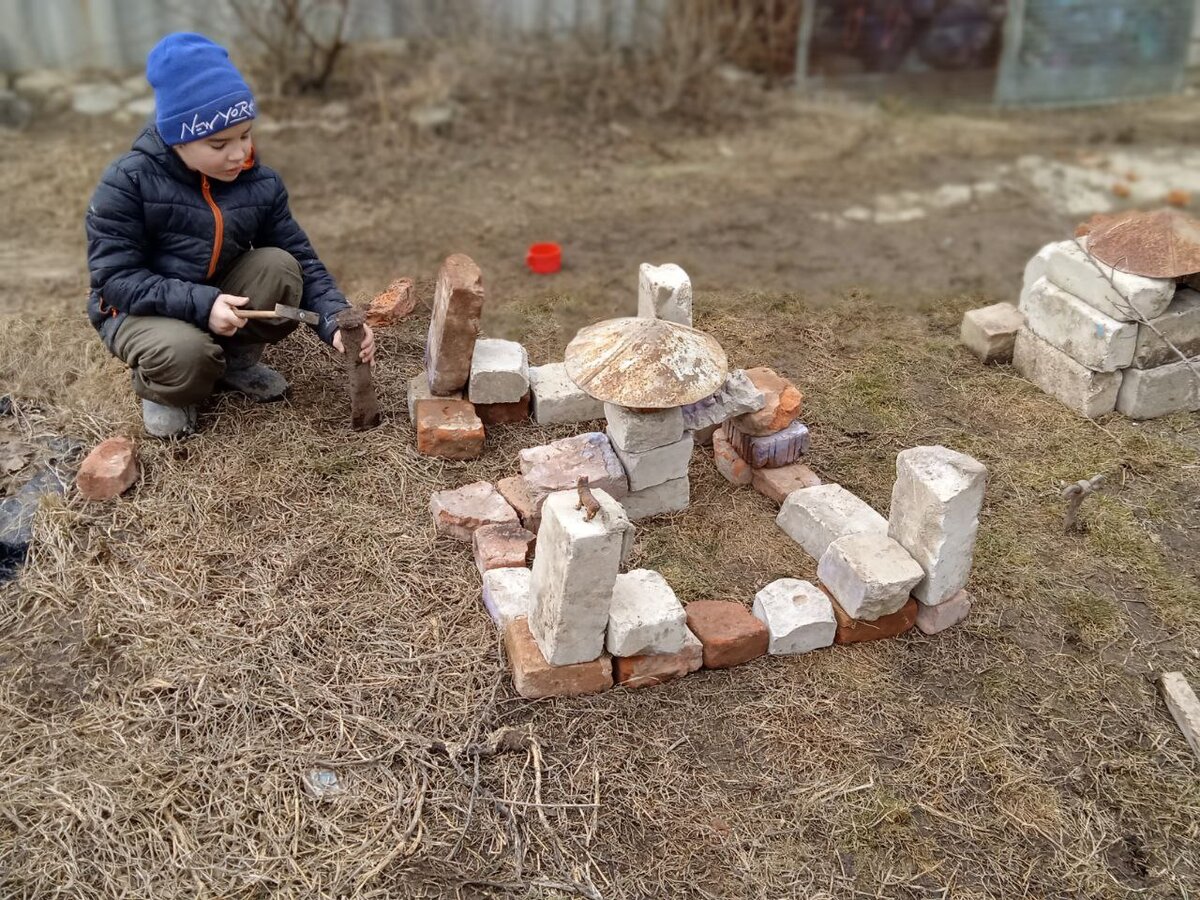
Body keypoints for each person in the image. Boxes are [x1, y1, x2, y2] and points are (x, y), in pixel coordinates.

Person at [85, 32, 374, 438]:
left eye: (245, 134)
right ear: (176, 137)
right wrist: (204, 305)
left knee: (280, 267)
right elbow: (114, 280)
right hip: (141, 310)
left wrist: (332, 319)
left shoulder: (258, 182)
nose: (238, 154)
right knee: (185, 354)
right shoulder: (127, 183)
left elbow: (302, 259)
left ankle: (233, 361)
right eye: (218, 143)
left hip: (215, 294)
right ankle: (166, 388)